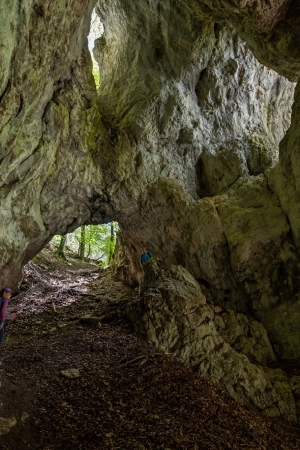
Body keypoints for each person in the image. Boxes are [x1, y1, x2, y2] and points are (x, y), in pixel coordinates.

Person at [0, 287, 14, 357]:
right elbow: (2, 312)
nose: (10, 295)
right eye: (9, 293)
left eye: (11, 294)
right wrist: (2, 323)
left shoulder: (0, 299)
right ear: (4, 293)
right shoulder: (5, 300)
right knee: (0, 339)